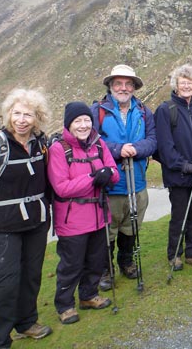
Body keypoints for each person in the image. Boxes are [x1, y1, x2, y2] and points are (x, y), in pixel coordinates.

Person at [0, 88, 53, 347]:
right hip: (5, 226)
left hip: (36, 222)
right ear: (9, 114)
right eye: (17, 113)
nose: (22, 120)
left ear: (37, 118)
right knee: (7, 283)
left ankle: (26, 322)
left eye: (28, 115)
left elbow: (48, 183)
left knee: (32, 275)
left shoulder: (41, 144)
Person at [48, 102, 119, 325]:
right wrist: (93, 178)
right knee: (71, 265)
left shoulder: (99, 144)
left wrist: (107, 175)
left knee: (96, 261)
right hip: (72, 219)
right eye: (78, 121)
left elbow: (114, 172)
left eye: (86, 120)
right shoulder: (58, 149)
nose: (83, 125)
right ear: (68, 124)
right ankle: (65, 305)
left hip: (99, 215)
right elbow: (61, 187)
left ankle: (88, 296)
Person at [91, 64, 157, 289]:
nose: (123, 88)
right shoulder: (97, 110)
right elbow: (91, 142)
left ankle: (126, 262)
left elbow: (152, 140)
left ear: (134, 87)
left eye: (128, 84)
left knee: (132, 226)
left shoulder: (144, 111)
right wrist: (119, 149)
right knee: (107, 229)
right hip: (110, 184)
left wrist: (136, 149)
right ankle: (105, 269)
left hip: (137, 182)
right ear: (111, 86)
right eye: (118, 83)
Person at [154, 64, 192, 270]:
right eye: (183, 82)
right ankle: (175, 254)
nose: (187, 86)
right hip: (179, 176)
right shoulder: (165, 109)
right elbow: (165, 148)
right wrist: (186, 166)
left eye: (190, 82)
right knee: (180, 215)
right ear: (176, 85)